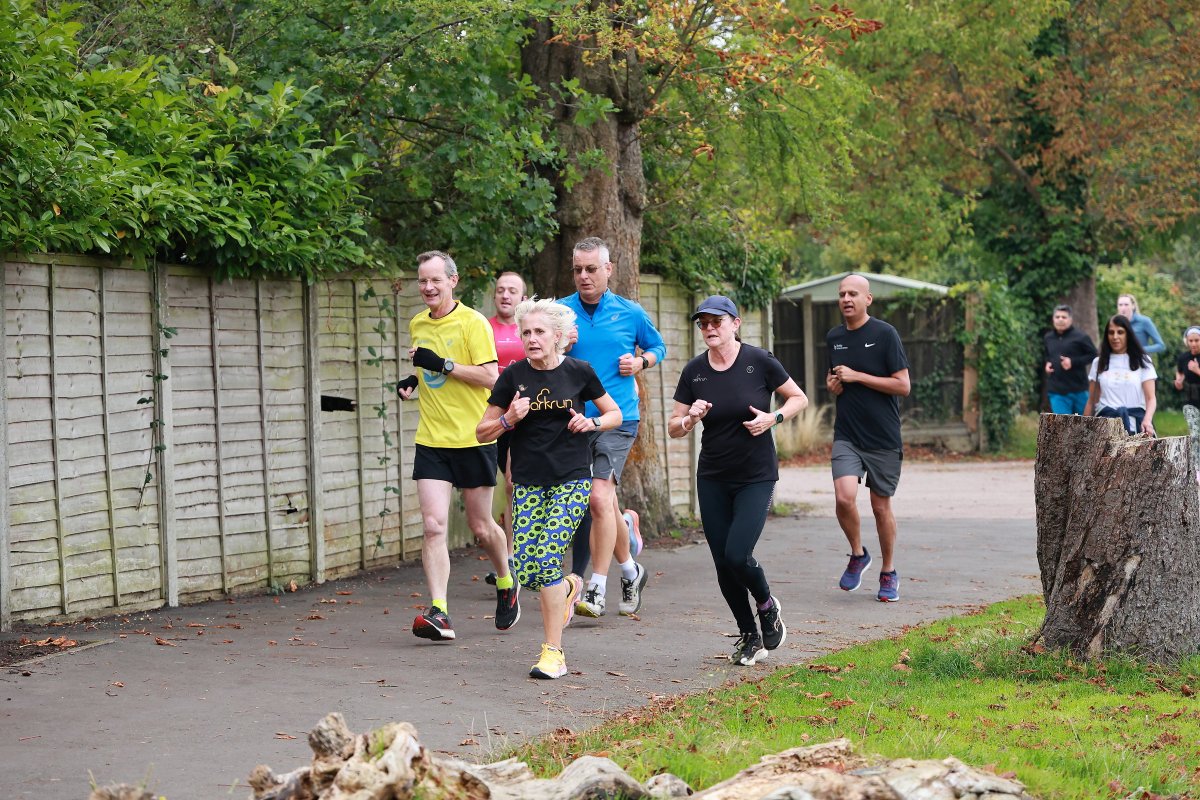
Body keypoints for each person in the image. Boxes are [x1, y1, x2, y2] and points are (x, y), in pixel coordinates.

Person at [477, 298, 622, 678]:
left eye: (539, 332)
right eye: (525, 332)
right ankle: (573, 585)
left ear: (558, 336)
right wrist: (509, 419)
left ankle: (553, 652)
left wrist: (590, 425)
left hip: (571, 479)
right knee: (526, 568)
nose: (531, 338)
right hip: (527, 482)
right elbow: (481, 431)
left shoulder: (579, 371)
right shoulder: (512, 377)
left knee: (545, 558)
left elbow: (614, 414)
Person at [669, 296, 809, 666]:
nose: (710, 329)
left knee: (737, 554)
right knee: (721, 562)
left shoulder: (759, 361)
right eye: (703, 324)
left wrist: (772, 418)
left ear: (736, 323)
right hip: (713, 476)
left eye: (717, 321)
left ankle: (766, 604)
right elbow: (673, 428)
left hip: (756, 475)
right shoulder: (695, 371)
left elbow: (798, 398)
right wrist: (690, 419)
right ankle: (749, 635)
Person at [397, 250, 518, 641]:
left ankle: (505, 581)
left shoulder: (473, 323)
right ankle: (440, 612)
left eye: (435, 280)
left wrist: (442, 365)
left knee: (482, 528)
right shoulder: (418, 322)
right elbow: (428, 366)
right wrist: (413, 380)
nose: (428, 287)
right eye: (422, 280)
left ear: (453, 281)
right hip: (432, 440)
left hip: (473, 437)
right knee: (433, 526)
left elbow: (490, 377)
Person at [559, 236, 666, 619]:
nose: (583, 276)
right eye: (577, 269)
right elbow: (539, 357)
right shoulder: (560, 313)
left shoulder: (630, 312)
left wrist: (641, 364)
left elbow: (658, 347)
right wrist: (561, 346)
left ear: (608, 270)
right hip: (573, 420)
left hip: (618, 418)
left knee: (598, 499)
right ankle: (630, 569)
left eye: (591, 269)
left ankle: (597, 589)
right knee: (605, 506)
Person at [826, 274, 911, 603]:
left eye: (853, 294)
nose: (846, 299)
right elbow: (832, 378)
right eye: (842, 294)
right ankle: (858, 553)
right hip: (847, 432)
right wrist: (832, 386)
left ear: (867, 300)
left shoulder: (885, 334)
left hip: (883, 437)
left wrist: (858, 377)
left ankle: (888, 571)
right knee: (844, 497)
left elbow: (903, 385)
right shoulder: (834, 337)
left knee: (879, 507)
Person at [485, 272, 527, 586]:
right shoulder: (484, 327)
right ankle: (515, 554)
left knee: (513, 484)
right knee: (508, 486)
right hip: (493, 414)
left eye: (513, 291)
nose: (505, 295)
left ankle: (513, 557)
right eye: (501, 290)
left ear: (523, 298)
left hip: (526, 417)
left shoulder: (530, 330)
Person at [1084, 314, 1157, 436]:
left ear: (1128, 334)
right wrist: (1084, 428)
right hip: (1104, 429)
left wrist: (1147, 420)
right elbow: (1092, 401)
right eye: (1111, 332)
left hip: (1136, 427)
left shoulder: (1143, 361)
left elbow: (1151, 398)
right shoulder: (1099, 363)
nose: (1115, 337)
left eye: (1120, 332)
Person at [1043, 304, 1097, 415]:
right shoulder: (1048, 337)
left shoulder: (1081, 337)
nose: (1060, 320)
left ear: (1070, 319)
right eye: (1057, 317)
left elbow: (1094, 355)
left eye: (1064, 317)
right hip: (1057, 391)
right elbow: (1048, 355)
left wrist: (1073, 362)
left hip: (1079, 390)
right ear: (1053, 319)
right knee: (1063, 428)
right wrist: (1047, 363)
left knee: (1083, 428)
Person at [1174, 326, 1200, 484]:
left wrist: (1197, 370)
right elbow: (1180, 375)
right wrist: (1178, 382)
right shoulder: (1183, 358)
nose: (1194, 344)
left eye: (1197, 340)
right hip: (1190, 403)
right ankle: (1197, 469)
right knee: (1196, 436)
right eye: (1191, 341)